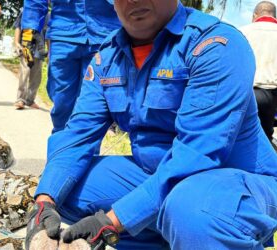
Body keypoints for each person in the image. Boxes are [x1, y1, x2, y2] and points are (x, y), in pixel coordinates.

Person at [26, 1, 277, 250]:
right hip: (158, 177)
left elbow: (197, 154)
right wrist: (44, 201)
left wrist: (111, 221)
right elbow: (77, 135)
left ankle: (210, 236)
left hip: (233, 183)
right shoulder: (108, 57)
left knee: (193, 208)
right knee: (67, 186)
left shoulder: (215, 45)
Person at [21, 0, 120, 132]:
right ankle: (62, 144)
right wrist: (30, 28)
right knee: (61, 99)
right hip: (64, 32)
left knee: (94, 105)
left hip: (104, 33)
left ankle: (87, 149)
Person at [240, 1, 277, 144]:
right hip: (273, 95)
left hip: (246, 92)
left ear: (255, 15)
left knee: (243, 137)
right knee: (266, 139)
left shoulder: (242, 31)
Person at [13, 10, 47, 110]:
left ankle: (30, 100)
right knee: (24, 73)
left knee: (36, 78)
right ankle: (20, 99)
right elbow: (18, 27)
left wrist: (49, 50)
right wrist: (16, 42)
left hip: (39, 51)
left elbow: (48, 34)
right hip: (26, 48)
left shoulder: (46, 13)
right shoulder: (26, 10)